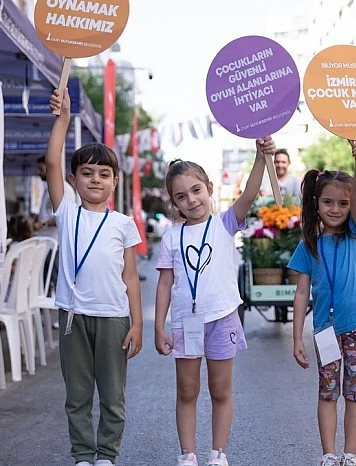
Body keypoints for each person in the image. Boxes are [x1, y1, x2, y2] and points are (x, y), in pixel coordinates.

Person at [154, 136, 275, 466]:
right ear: (174, 202)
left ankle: (218, 454)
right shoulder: (172, 237)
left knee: (221, 391)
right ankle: (187, 455)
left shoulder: (225, 224)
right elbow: (165, 283)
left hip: (222, 318)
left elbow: (248, 193)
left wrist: (261, 158)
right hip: (186, 322)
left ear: (208, 187)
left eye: (196, 190)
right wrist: (159, 327)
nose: (191, 200)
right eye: (181, 196)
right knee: (187, 391)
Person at [48, 90, 144, 466]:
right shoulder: (67, 211)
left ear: (115, 182)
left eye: (104, 174)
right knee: (77, 394)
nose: (95, 180)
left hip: (113, 318)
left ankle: (107, 454)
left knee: (113, 396)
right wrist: (63, 120)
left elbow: (132, 278)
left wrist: (137, 323)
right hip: (73, 315)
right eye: (86, 173)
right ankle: (83, 455)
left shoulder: (123, 224)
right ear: (74, 179)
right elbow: (52, 164)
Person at [288, 141, 356, 466]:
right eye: (328, 202)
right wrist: (296, 335)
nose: (335, 208)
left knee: (354, 391)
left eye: (342, 203)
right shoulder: (308, 246)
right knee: (327, 392)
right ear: (316, 204)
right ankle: (329, 454)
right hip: (325, 330)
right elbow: (301, 294)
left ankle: (351, 454)